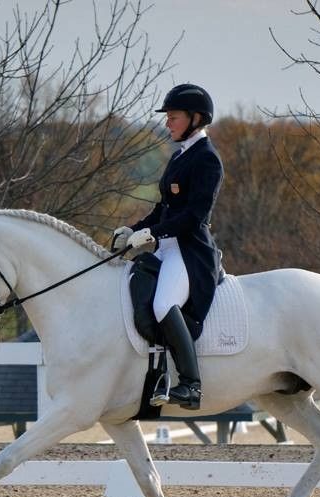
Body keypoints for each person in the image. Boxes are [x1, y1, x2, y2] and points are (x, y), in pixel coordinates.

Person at [112, 83, 224, 410]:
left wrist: (153, 235)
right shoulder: (180, 156)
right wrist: (133, 229)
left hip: (189, 251)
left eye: (173, 117)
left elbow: (194, 216)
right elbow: (164, 209)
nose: (168, 123)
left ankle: (190, 384)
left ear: (196, 118)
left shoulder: (207, 159)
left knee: (163, 305)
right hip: (167, 245)